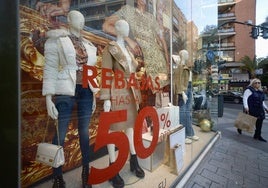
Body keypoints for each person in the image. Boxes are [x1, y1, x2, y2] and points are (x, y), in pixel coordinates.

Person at [42, 10, 99, 188]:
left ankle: (85, 171)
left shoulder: (89, 45)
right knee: (60, 132)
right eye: (77, 18)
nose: (81, 21)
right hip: (64, 89)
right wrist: (48, 98)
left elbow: (91, 71)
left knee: (84, 132)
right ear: (69, 20)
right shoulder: (58, 40)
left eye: (83, 19)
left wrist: (94, 93)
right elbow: (50, 68)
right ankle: (57, 176)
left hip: (85, 91)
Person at [100, 19, 145, 188]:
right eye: (124, 26)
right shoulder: (110, 49)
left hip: (130, 90)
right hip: (116, 91)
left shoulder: (127, 50)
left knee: (130, 127)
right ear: (117, 29)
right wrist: (106, 98)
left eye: (128, 26)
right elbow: (105, 73)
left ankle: (133, 160)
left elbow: (132, 71)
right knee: (114, 129)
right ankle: (113, 168)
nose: (127, 29)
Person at [102, 0, 170, 90]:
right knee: (147, 94)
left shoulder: (151, 17)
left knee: (162, 95)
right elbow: (106, 26)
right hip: (143, 63)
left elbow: (161, 39)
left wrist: (167, 60)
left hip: (159, 62)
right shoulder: (128, 11)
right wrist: (128, 39)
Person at [172, 50, 199, 144]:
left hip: (189, 89)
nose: (188, 55)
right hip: (183, 90)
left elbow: (189, 80)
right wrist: (181, 92)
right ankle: (183, 136)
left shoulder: (186, 66)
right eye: (186, 54)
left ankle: (190, 133)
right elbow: (177, 80)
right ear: (182, 55)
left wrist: (190, 92)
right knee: (183, 113)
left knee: (187, 113)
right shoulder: (180, 66)